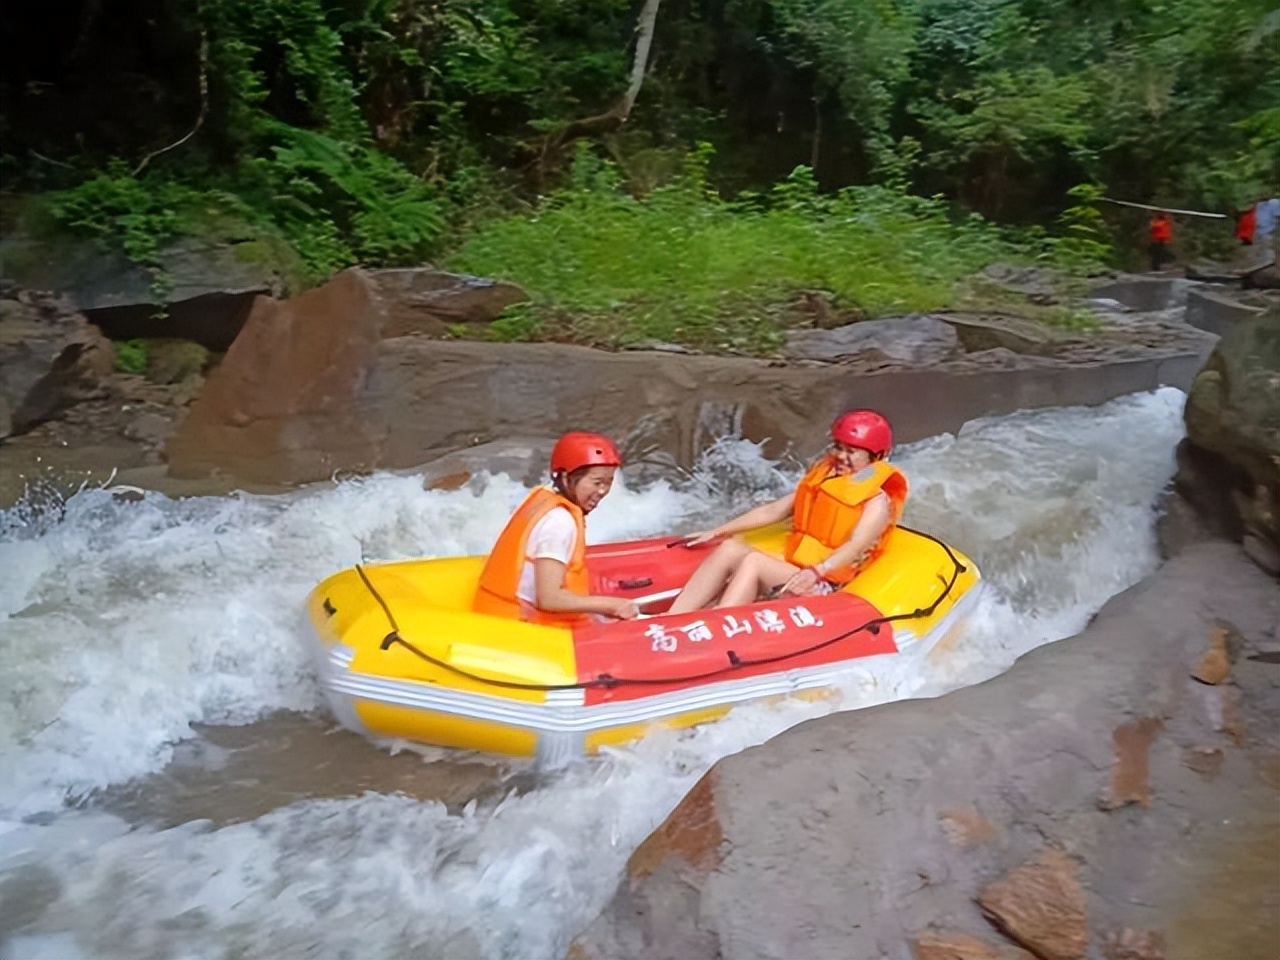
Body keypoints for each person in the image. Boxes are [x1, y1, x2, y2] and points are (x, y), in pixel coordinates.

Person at [666, 410, 908, 614]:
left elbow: (855, 546)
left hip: (826, 583)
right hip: (798, 567)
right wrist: (717, 531)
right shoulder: (826, 479)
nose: (840, 457)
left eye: (851, 451)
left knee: (754, 561)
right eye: (838, 447)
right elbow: (772, 511)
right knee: (730, 548)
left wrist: (816, 571)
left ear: (875, 456)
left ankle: (715, 624)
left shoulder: (876, 503)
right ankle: (672, 617)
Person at [473, 432, 639, 625]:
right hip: (518, 625)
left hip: (501, 615)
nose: (602, 491)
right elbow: (549, 599)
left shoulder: (544, 499)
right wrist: (612, 605)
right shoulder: (559, 522)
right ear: (566, 478)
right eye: (596, 483)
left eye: (608, 483)